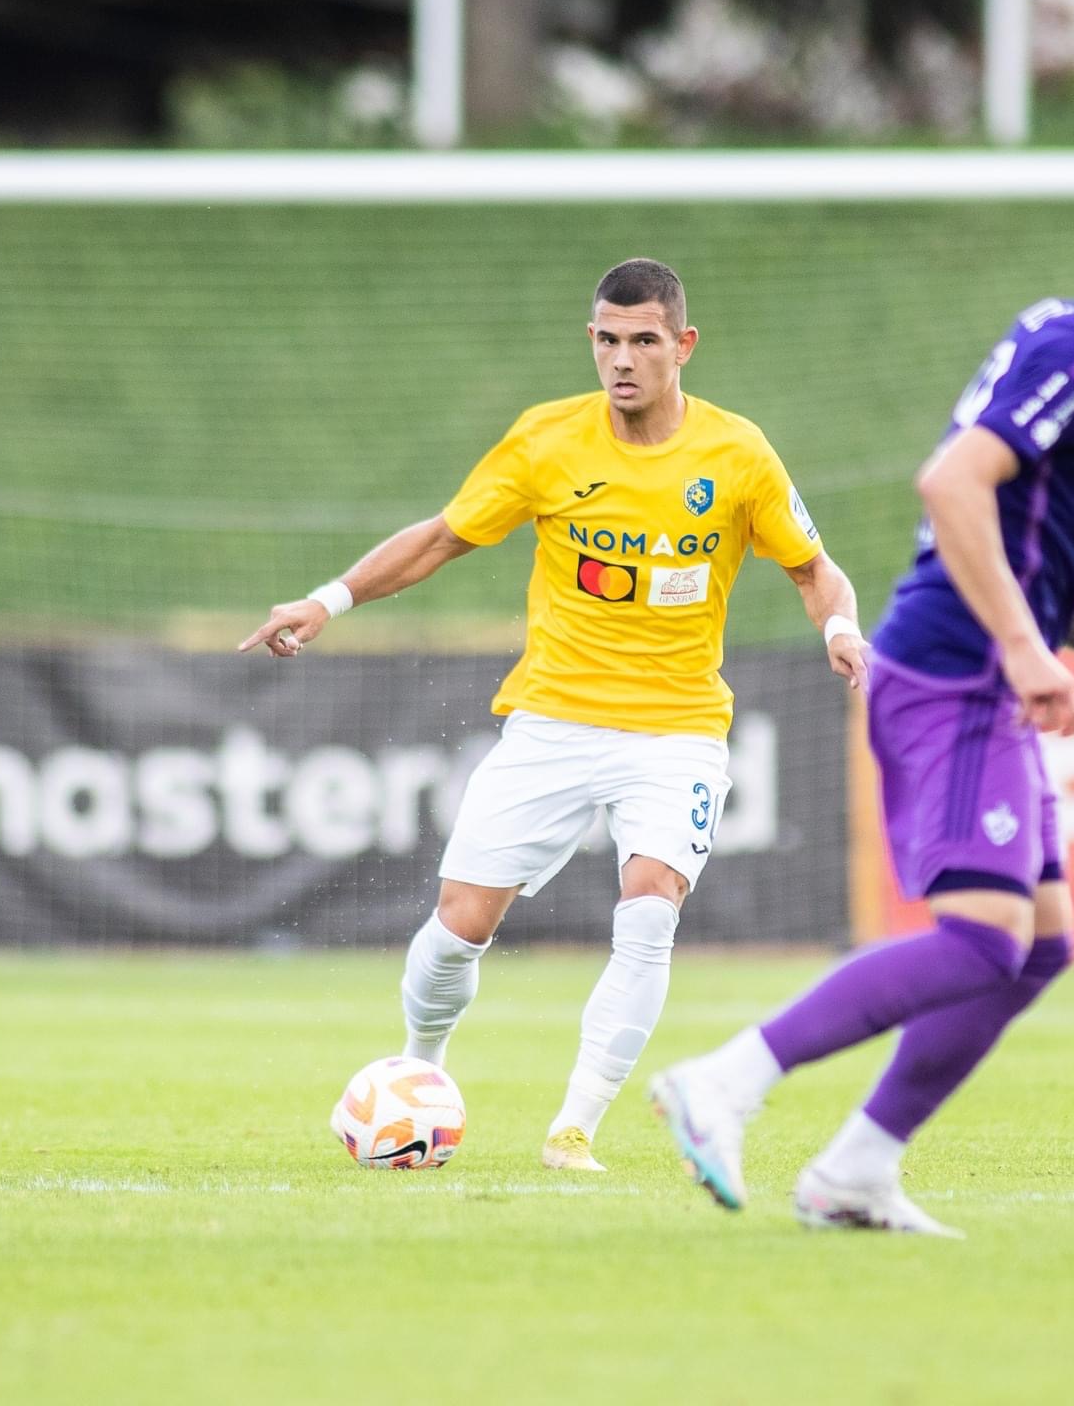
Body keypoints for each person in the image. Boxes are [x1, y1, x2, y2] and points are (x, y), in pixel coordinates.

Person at [651, 151, 1074, 1234]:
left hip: (982, 670)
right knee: (980, 938)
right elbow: (950, 483)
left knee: (1039, 943)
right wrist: (1026, 651)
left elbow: (1014, 528)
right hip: (959, 678)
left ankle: (855, 1170)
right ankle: (726, 1079)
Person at [240, 259, 865, 1171]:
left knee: (650, 910)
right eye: (608, 340)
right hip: (554, 722)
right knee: (459, 925)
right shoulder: (547, 442)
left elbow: (813, 567)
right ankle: (418, 1077)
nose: (623, 359)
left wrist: (841, 627)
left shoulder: (736, 454)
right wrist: (325, 600)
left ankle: (575, 1127)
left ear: (683, 346)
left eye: (644, 341)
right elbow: (444, 536)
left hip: (678, 730)